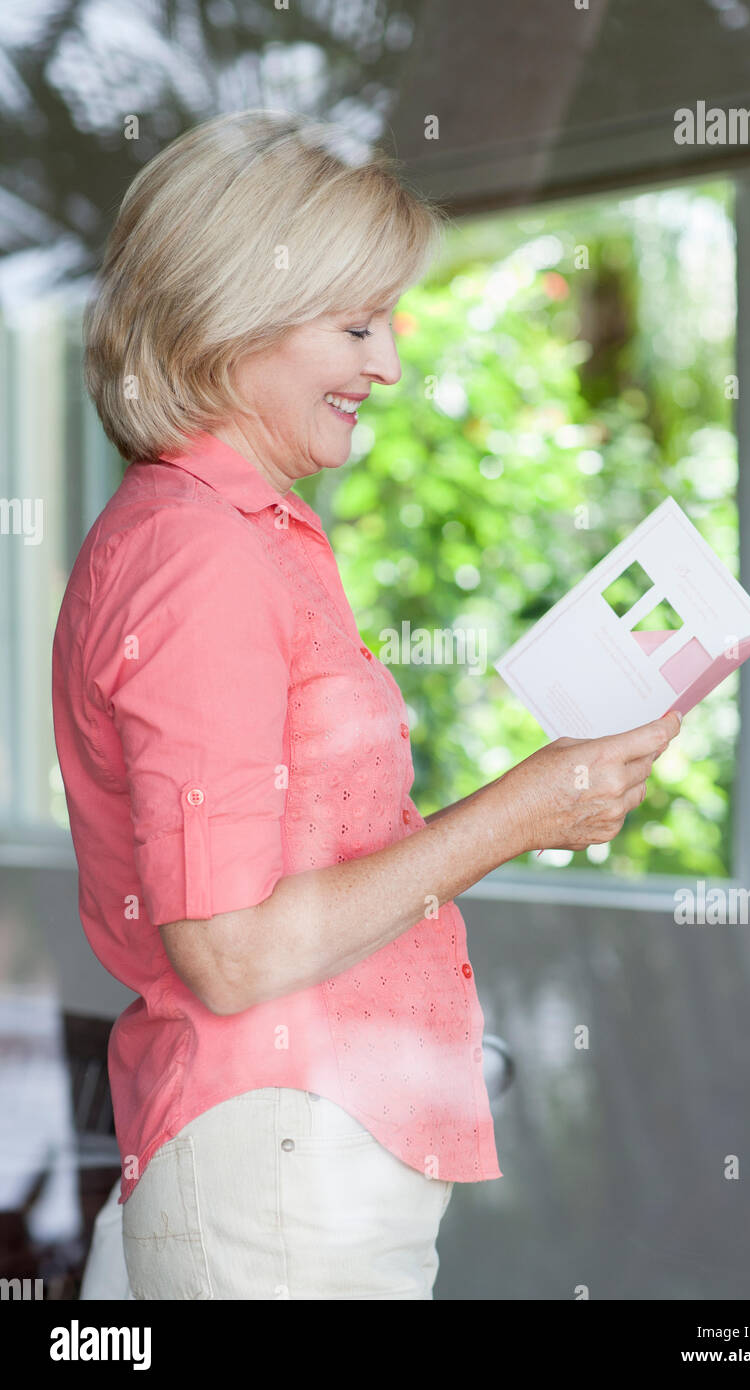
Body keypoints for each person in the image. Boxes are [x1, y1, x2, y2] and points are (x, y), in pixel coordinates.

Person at [52, 109, 681, 1300]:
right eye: (354, 326)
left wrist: (543, 793)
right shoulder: (201, 557)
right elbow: (231, 953)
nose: (388, 364)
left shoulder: (237, 535)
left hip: (288, 1156)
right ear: (223, 321)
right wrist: (522, 809)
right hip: (279, 1164)